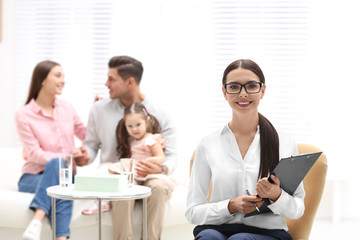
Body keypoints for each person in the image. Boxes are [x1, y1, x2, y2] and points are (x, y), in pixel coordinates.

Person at [185, 59, 305, 240]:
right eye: (234, 87)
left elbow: (298, 209)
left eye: (251, 86)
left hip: (268, 233)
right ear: (224, 92)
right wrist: (230, 206)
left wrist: (276, 196)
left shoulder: (284, 142)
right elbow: (192, 211)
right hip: (218, 229)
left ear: (262, 90)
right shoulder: (208, 143)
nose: (243, 94)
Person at [74, 55, 177, 239]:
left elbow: (171, 156)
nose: (106, 84)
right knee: (121, 187)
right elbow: (90, 145)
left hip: (150, 174)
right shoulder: (99, 109)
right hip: (117, 175)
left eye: (111, 79)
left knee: (159, 188)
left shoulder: (160, 112)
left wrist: (159, 167)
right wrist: (85, 156)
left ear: (130, 82)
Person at [15, 60, 89, 240]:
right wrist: (65, 158)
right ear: (42, 80)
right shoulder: (24, 114)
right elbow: (34, 154)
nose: (63, 80)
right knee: (60, 177)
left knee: (62, 181)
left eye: (63, 76)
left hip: (66, 175)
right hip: (32, 178)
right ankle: (60, 237)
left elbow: (88, 135)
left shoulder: (67, 108)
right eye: (58, 75)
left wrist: (98, 111)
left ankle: (36, 222)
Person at [82, 102, 169, 215]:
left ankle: (105, 201)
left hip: (144, 170)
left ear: (146, 122)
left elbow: (161, 157)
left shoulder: (151, 140)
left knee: (114, 175)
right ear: (125, 126)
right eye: (130, 126)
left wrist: (149, 161)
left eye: (138, 124)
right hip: (133, 170)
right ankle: (104, 201)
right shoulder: (131, 140)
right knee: (105, 170)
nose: (134, 129)